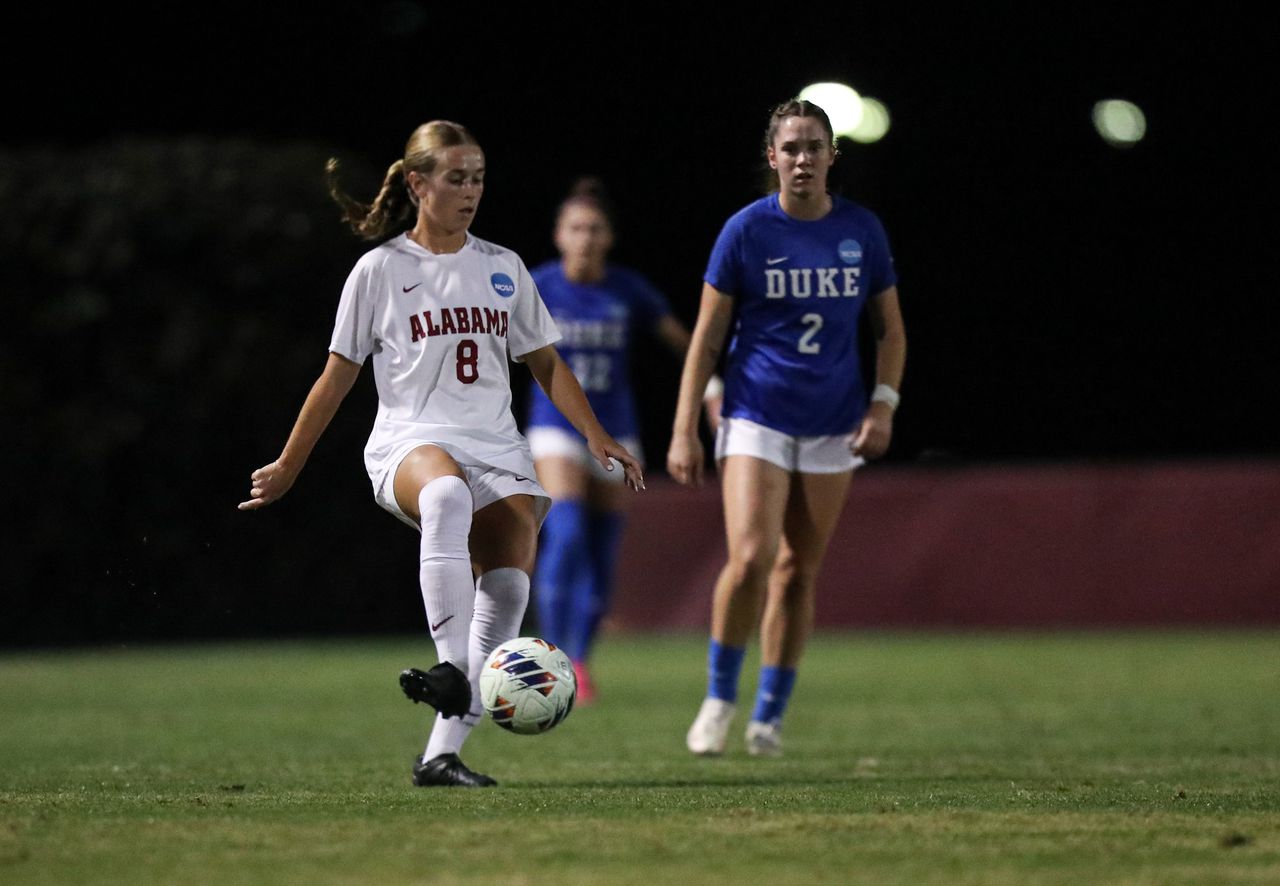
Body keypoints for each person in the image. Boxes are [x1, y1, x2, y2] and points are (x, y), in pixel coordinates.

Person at [238, 120, 643, 787]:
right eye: (457, 177)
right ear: (418, 184)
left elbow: (545, 363)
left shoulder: (503, 268)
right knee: (446, 495)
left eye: (479, 177)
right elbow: (336, 377)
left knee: (510, 583)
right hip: (409, 444)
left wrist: (595, 434)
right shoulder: (380, 271)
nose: (471, 190)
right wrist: (289, 463)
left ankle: (440, 755)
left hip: (496, 446)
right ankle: (452, 667)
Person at [667, 99, 907, 757]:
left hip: (833, 422)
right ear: (771, 158)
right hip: (755, 413)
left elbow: (890, 330)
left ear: (833, 156)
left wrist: (883, 404)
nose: (803, 159)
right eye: (791, 148)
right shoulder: (745, 231)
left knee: (800, 570)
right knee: (751, 556)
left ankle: (768, 715)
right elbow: (707, 338)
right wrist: (685, 427)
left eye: (814, 147)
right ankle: (719, 698)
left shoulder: (862, 230)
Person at [525, 178, 702, 703]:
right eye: (576, 228)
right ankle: (548, 654)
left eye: (595, 229)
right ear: (559, 235)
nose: (585, 237)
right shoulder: (537, 286)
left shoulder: (628, 290)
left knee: (603, 553)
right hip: (556, 427)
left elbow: (683, 342)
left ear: (609, 237)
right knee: (569, 531)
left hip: (618, 431)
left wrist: (713, 385)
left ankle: (579, 661)